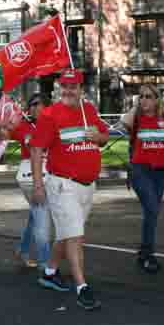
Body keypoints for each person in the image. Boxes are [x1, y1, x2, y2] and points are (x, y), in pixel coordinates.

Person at [30, 69, 111, 310]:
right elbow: (36, 150)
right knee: (75, 236)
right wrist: (37, 185)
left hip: (87, 186)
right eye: (63, 86)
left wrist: (99, 136)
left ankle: (50, 272)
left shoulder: (89, 111)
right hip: (62, 184)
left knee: (66, 234)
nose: (67, 90)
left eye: (72, 86)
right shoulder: (50, 114)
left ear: (81, 90)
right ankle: (82, 287)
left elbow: (104, 138)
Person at [121, 83, 164, 274]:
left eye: (149, 96)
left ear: (157, 99)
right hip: (140, 170)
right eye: (141, 96)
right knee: (152, 208)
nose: (144, 100)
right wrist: (136, 106)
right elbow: (124, 123)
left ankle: (144, 252)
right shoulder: (136, 118)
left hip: (159, 172)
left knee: (152, 213)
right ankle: (148, 255)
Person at [0, 93, 51, 269]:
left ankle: (23, 249)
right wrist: (6, 123)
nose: (33, 107)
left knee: (37, 215)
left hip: (53, 173)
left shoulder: (55, 122)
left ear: (47, 105)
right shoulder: (23, 125)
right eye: (31, 105)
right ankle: (45, 264)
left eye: (37, 104)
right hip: (30, 177)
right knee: (42, 217)